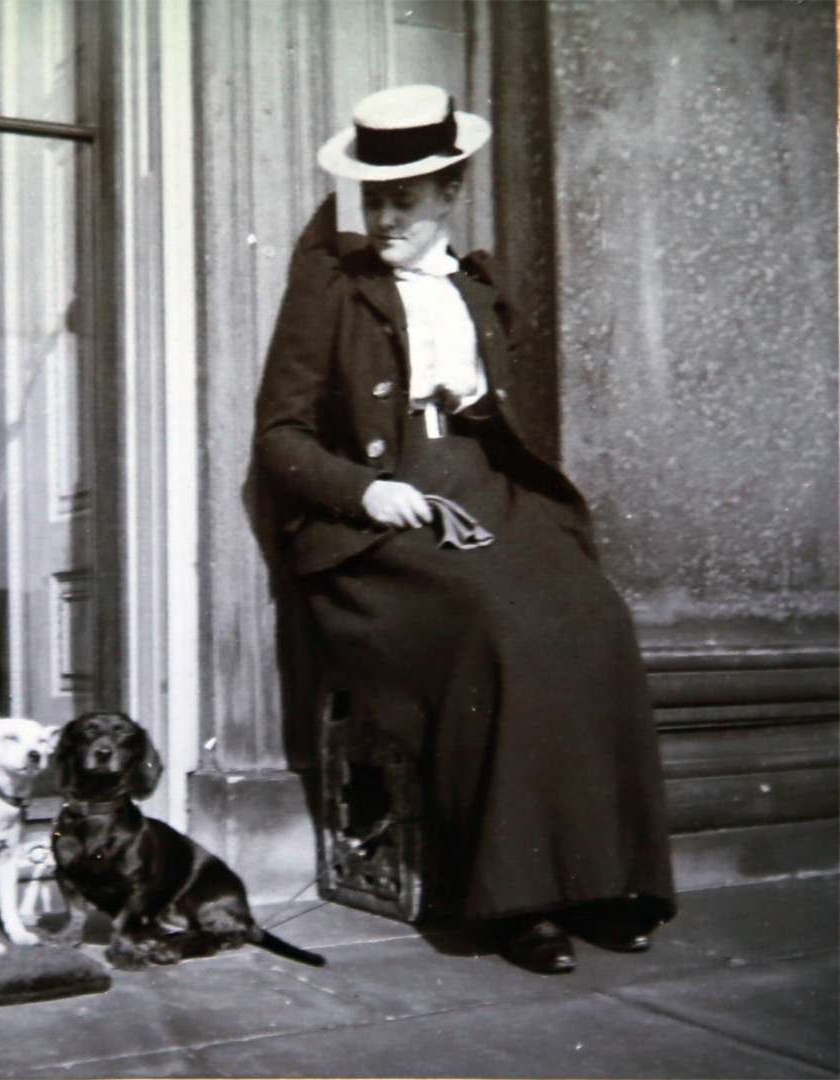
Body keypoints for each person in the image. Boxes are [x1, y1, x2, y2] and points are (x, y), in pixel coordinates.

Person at [254, 85, 675, 974]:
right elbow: (280, 437)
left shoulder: (478, 290)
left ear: (449, 190)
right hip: (377, 533)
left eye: (405, 196)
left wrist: (481, 400)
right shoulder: (333, 288)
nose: (387, 214)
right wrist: (364, 494)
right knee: (502, 629)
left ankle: (602, 879)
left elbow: (509, 427)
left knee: (596, 618)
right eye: (375, 197)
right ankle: (519, 901)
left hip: (487, 497)